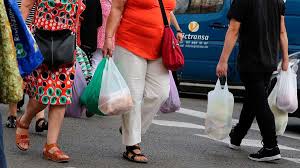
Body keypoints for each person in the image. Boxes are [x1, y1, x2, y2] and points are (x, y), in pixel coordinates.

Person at [103, 0, 175, 163]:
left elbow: (167, 11)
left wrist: (174, 30)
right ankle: (132, 145)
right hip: (130, 43)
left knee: (160, 93)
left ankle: (131, 128)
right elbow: (117, 8)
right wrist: (108, 38)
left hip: (159, 48)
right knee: (134, 97)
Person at [216, 0, 288, 162]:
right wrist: (284, 58)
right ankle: (237, 136)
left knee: (259, 103)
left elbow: (233, 29)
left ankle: (271, 147)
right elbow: (282, 32)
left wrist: (223, 60)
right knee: (253, 99)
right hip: (269, 60)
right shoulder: (277, 1)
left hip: (251, 60)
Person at [16, 0, 85, 162]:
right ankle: (25, 120)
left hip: (66, 45)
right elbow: (25, 6)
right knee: (43, 95)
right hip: (41, 43)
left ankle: (51, 146)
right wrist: (18, 38)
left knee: (61, 94)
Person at [6, 0, 48, 132]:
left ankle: (39, 118)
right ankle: (12, 114)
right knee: (17, 72)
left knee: (35, 73)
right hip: (14, 33)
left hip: (32, 33)